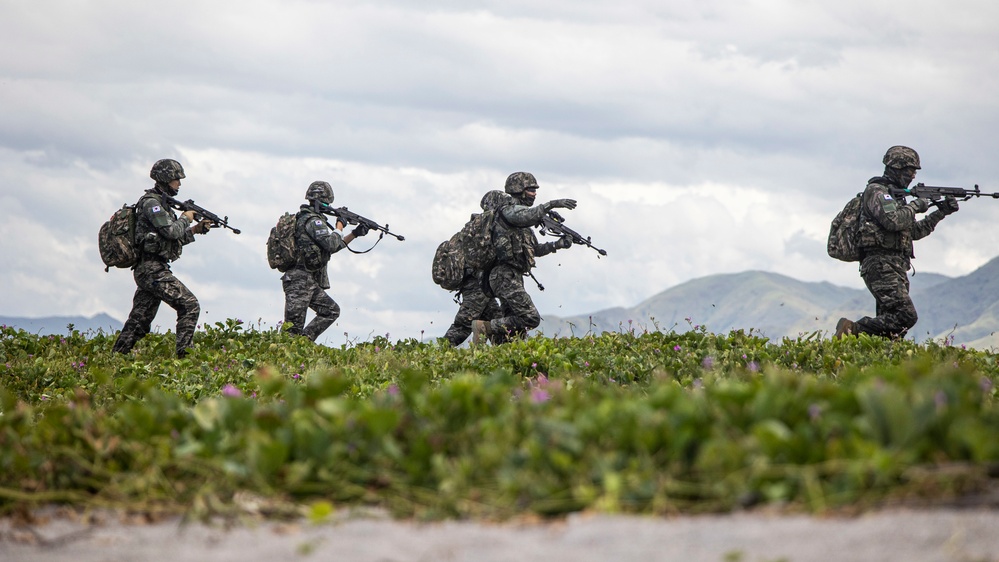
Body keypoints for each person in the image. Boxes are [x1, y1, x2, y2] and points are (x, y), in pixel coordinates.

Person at [834, 146, 960, 340]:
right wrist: (916, 205)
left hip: (895, 265)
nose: (912, 175)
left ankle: (875, 362)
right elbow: (892, 221)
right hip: (880, 264)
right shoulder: (877, 192)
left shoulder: (896, 198)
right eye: (910, 170)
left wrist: (940, 212)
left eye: (914, 171)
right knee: (905, 316)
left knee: (891, 329)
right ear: (896, 167)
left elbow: (914, 232)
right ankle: (851, 330)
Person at [113, 159, 213, 358]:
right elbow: (171, 232)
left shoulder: (162, 204)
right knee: (189, 304)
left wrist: (195, 230)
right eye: (176, 179)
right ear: (166, 178)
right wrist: (186, 218)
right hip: (151, 269)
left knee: (139, 321)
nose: (179, 184)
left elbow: (169, 241)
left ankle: (117, 356)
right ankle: (185, 357)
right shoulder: (152, 204)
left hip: (152, 268)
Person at [472, 172, 576, 344]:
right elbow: (528, 215)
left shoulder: (521, 224)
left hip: (512, 276)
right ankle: (486, 328)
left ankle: (502, 357)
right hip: (503, 276)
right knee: (530, 318)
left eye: (535, 190)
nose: (534, 194)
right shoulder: (508, 212)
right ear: (518, 190)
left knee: (514, 330)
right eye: (530, 190)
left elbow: (533, 249)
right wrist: (551, 204)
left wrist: (557, 245)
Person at [282, 181, 368, 342]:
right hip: (299, 281)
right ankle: (287, 352)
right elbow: (330, 243)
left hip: (307, 281)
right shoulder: (314, 221)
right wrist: (340, 226)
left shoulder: (311, 219)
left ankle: (303, 343)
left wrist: (354, 234)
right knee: (291, 331)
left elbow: (332, 246)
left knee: (331, 311)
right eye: (327, 203)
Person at [442, 190, 509, 347]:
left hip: (479, 282)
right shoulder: (485, 226)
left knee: (496, 321)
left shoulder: (477, 225)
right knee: (464, 324)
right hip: (476, 282)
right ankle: (437, 355)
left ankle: (505, 355)